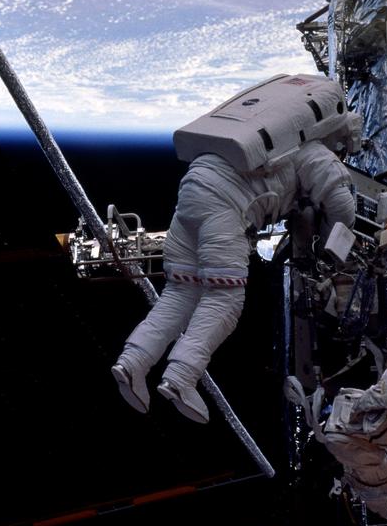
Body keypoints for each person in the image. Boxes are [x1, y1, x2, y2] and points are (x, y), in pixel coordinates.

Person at [113, 77, 358, 424]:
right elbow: (342, 208)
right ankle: (181, 377)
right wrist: (333, 245)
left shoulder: (282, 137)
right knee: (224, 300)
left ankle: (132, 363)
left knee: (181, 291)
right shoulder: (316, 153)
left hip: (193, 191)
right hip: (223, 207)